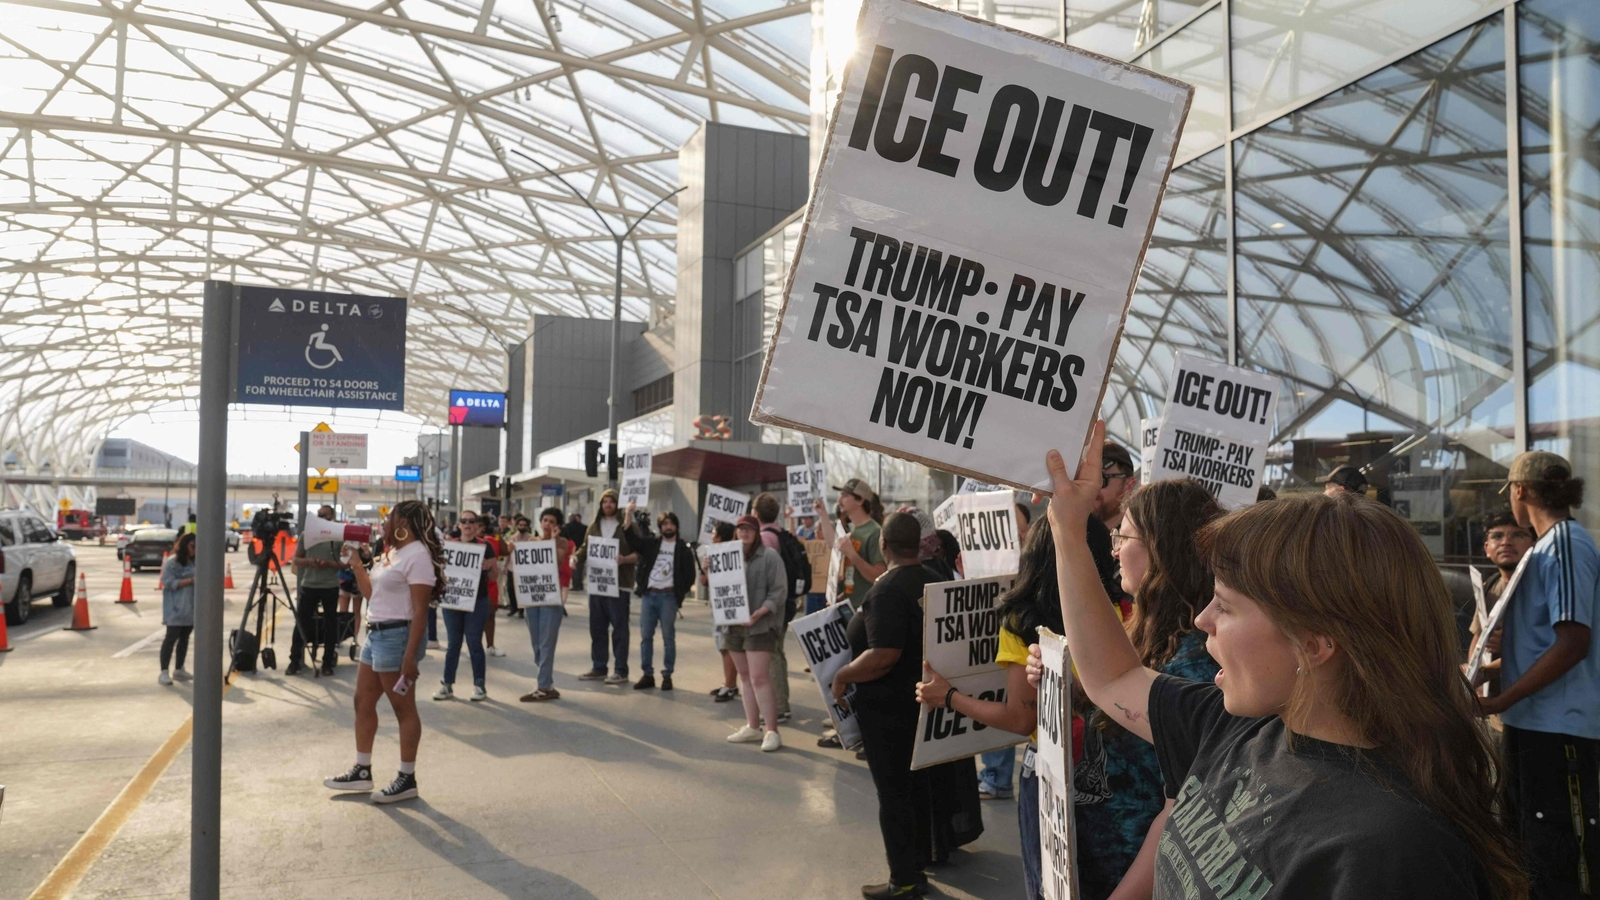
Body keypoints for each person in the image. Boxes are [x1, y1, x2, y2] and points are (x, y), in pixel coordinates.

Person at [1028, 423, 1524, 900]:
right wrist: (1067, 528)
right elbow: (1113, 676)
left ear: (1314, 642)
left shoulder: (1391, 856)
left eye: (1225, 604)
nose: (1202, 619)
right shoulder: (1234, 728)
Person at [1074, 480, 1223, 900]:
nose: (1115, 549)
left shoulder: (1196, 667)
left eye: (1124, 535)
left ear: (1163, 548)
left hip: (1136, 876)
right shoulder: (1143, 631)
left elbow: (1184, 809)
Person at [918, 515, 1060, 899]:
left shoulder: (1022, 619)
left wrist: (947, 697)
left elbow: (1019, 719)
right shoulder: (1127, 609)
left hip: (1053, 768)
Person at [1480, 451, 1598, 899]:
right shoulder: (1548, 546)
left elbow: (1572, 642)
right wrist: (1483, 676)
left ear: (1520, 491)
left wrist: (1499, 701)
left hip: (1558, 728)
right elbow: (1542, 648)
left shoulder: (1565, 544)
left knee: (1563, 859)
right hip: (1533, 725)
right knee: (1531, 850)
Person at [831, 512, 932, 899]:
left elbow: (884, 654)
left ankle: (903, 880)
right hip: (921, 706)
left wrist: (843, 675)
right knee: (913, 790)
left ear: (885, 546)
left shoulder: (887, 591)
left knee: (892, 796)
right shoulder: (933, 579)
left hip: (888, 712)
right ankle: (918, 864)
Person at [325, 500, 443, 804]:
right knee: (362, 702)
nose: (385, 522)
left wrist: (410, 655)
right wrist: (355, 565)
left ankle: (407, 778)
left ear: (403, 522)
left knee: (403, 710)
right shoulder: (392, 552)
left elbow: (420, 612)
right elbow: (371, 594)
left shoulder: (417, 556)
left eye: (390, 517)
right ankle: (362, 770)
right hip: (376, 634)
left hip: (398, 636)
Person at [722, 514, 788, 752]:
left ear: (757, 531)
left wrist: (760, 613)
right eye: (741, 529)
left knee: (759, 677)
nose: (744, 532)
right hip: (733, 623)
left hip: (761, 625)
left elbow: (779, 592)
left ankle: (771, 729)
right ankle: (752, 725)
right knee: (745, 676)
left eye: (749, 528)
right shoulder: (728, 556)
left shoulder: (770, 557)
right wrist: (709, 571)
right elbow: (717, 586)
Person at [625, 502, 698, 691]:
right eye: (665, 524)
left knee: (668, 637)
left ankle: (667, 675)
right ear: (660, 526)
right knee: (646, 636)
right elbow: (632, 539)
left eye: (671, 523)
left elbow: (690, 575)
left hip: (668, 597)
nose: (668, 527)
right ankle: (647, 674)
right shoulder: (652, 544)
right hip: (650, 596)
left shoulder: (683, 549)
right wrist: (628, 514)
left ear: (676, 526)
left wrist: (678, 593)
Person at [754, 491, 808, 722]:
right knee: (777, 652)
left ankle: (779, 706)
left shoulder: (765, 539)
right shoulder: (782, 535)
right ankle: (778, 701)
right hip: (786, 603)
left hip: (773, 606)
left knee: (772, 654)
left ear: (756, 514)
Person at [574, 490, 638, 685]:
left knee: (619, 629)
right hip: (597, 585)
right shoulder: (594, 526)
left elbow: (640, 552)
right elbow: (585, 547)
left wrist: (624, 559)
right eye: (605, 502)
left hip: (619, 585)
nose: (608, 505)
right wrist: (575, 557)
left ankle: (621, 670)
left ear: (617, 504)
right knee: (597, 628)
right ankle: (599, 667)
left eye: (612, 502)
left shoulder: (628, 526)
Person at [433, 513, 495, 702]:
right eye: (464, 521)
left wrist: (488, 567)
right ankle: (447, 684)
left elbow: (494, 576)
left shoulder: (485, 547)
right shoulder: (449, 546)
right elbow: (439, 570)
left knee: (474, 643)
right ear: (458, 525)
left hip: (477, 600)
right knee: (453, 643)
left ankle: (479, 685)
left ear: (477, 525)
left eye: (472, 521)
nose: (468, 524)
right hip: (453, 600)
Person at [519, 508, 571, 703]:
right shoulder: (531, 542)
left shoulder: (562, 543)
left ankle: (542, 686)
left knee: (547, 642)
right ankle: (547, 683)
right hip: (532, 597)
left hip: (550, 598)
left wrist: (552, 540)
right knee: (537, 642)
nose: (547, 524)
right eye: (545, 520)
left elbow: (554, 561)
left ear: (557, 525)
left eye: (552, 521)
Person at [289, 505, 343, 676]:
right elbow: (296, 559)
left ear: (332, 517)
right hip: (309, 584)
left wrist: (328, 564)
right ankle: (295, 660)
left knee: (330, 624)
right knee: (301, 622)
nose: (323, 518)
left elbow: (345, 564)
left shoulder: (337, 537)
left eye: (326, 515)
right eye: (320, 515)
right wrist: (309, 561)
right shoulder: (307, 535)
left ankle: (327, 662)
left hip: (330, 586)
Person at [826, 478, 886, 608]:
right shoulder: (852, 530)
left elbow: (879, 576)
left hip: (867, 609)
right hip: (851, 606)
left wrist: (852, 555)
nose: (839, 500)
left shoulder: (874, 532)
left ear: (860, 500)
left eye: (845, 495)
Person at [705, 521, 742, 703]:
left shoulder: (728, 555)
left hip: (727, 607)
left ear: (719, 537)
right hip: (719, 605)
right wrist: (705, 568)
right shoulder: (715, 555)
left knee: (726, 645)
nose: (711, 536)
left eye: (713, 533)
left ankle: (729, 685)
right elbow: (706, 581)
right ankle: (729, 682)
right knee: (723, 644)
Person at [158, 532, 196, 685]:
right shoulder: (173, 563)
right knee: (171, 638)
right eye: (193, 546)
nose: (195, 550)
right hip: (175, 608)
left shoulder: (194, 563)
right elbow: (167, 581)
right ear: (185, 546)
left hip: (190, 608)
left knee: (184, 638)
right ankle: (164, 671)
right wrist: (190, 580)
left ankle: (179, 668)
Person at [480, 519, 507, 658]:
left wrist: (499, 537)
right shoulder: (460, 543)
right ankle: (474, 645)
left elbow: (506, 551)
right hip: (469, 586)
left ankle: (490, 646)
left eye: (480, 525)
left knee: (490, 614)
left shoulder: (490, 541)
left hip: (489, 584)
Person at [562, 512, 587, 591]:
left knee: (573, 567)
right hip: (582, 548)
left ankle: (576, 585)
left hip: (572, 547)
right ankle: (580, 584)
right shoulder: (584, 527)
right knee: (580, 568)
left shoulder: (567, 527)